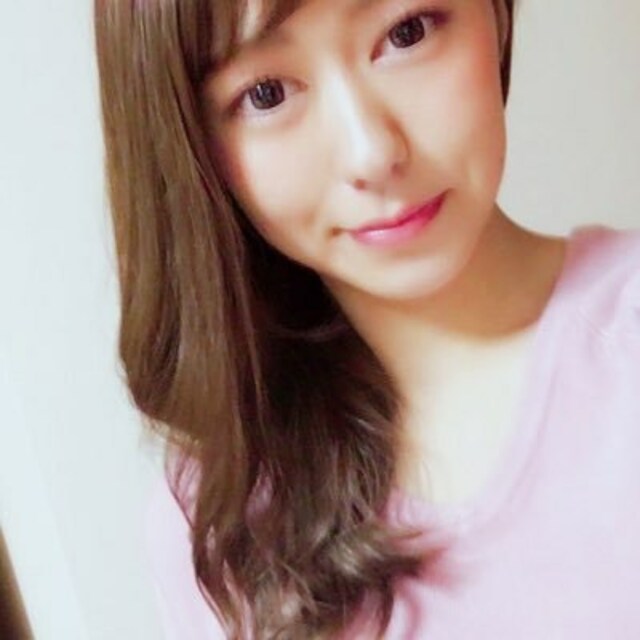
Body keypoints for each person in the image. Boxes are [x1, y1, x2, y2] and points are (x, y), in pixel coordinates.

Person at [94, 0, 640, 638]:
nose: (372, 153)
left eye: (406, 33)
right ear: (192, 145)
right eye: (267, 94)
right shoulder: (218, 524)